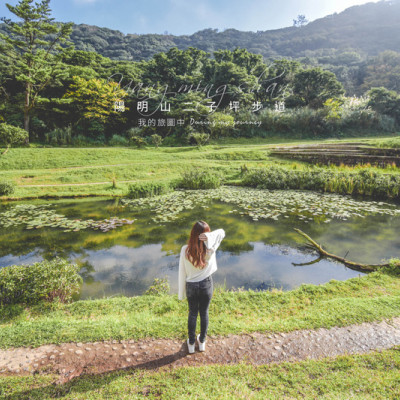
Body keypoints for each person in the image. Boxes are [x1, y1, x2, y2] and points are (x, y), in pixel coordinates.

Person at [178, 220, 225, 354]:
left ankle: (191, 344)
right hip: (206, 284)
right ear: (207, 234)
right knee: (204, 313)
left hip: (191, 286)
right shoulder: (211, 249)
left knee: (192, 313)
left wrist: (181, 293)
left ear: (193, 234)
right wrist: (210, 237)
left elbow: (182, 271)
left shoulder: (185, 250)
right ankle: (202, 342)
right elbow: (222, 232)